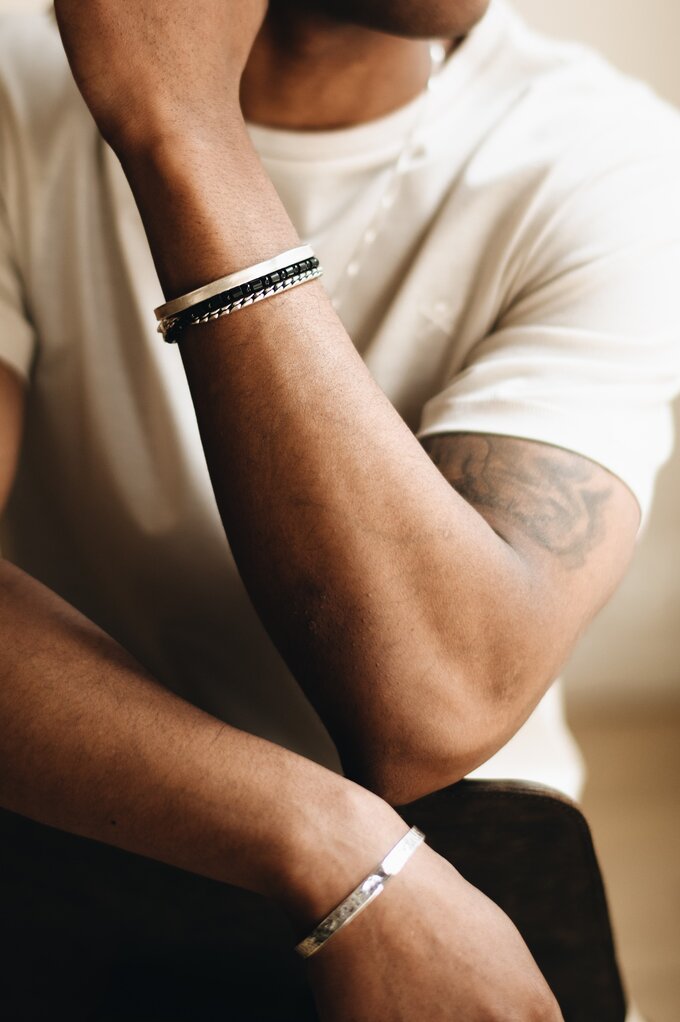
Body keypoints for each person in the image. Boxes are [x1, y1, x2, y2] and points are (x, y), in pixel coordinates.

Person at [0, 0, 678, 1018]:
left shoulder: (606, 162)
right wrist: (329, 845)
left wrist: (185, 128)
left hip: (461, 898)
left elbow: (430, 706)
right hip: (58, 863)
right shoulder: (14, 96)